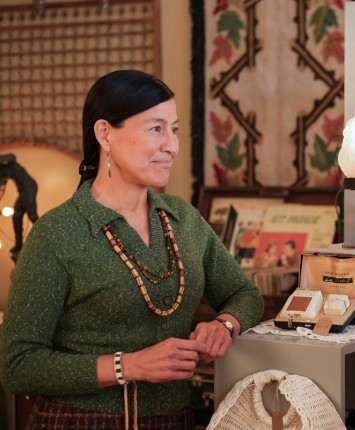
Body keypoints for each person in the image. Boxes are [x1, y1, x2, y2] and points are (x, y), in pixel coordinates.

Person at [0, 70, 264, 429]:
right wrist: (131, 365)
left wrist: (224, 325)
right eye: (156, 129)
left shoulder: (184, 219)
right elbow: (17, 366)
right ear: (105, 133)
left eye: (174, 130)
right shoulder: (56, 233)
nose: (171, 146)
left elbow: (245, 294)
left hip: (176, 421)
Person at [0, 152, 39, 262]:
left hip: (29, 187)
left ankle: (47, 236)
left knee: (32, 215)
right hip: (23, 191)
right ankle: (18, 245)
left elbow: (12, 157)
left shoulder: (5, 162)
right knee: (16, 217)